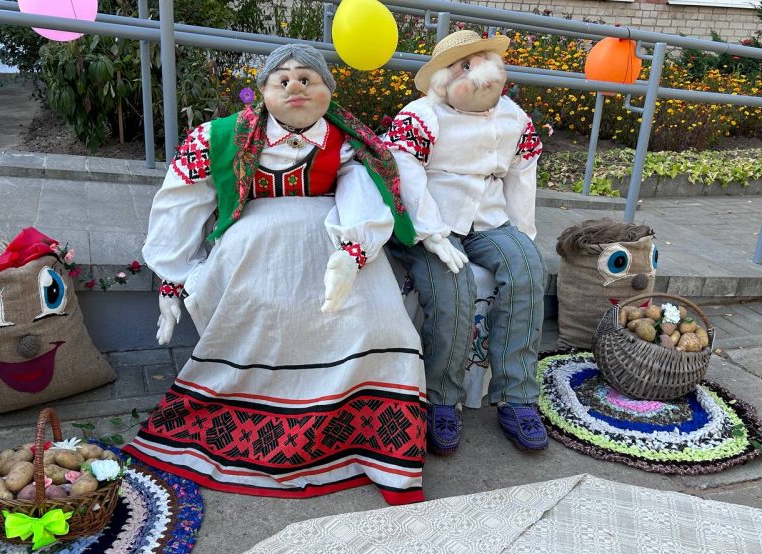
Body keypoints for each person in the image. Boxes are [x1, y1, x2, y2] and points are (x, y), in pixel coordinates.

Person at [125, 44, 427, 505]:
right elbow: (182, 202)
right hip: (251, 254)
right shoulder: (219, 138)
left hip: (331, 248)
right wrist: (173, 275)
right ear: (263, 91)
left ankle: (368, 438)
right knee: (256, 317)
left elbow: (360, 192)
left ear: (328, 90)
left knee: (380, 320)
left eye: (308, 78)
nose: (294, 87)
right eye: (281, 80)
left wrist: (353, 252)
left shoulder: (346, 142)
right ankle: (249, 425)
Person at [382, 30, 548, 455]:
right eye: (465, 66)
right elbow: (406, 176)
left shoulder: (515, 119)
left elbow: (522, 176)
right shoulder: (420, 117)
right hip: (431, 221)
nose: (480, 74)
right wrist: (432, 234)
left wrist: (523, 234)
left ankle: (517, 395)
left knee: (528, 270)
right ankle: (441, 398)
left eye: (483, 62)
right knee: (451, 285)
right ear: (443, 81)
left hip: (489, 218)